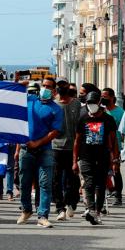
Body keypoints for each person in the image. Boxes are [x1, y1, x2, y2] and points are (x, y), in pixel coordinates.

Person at [17, 77, 63, 228]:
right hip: (26, 149)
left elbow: (55, 131)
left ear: (54, 91)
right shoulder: (30, 100)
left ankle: (42, 215)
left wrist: (38, 142)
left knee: (45, 183)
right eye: (43, 85)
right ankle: (26, 210)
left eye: (49, 86)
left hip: (44, 150)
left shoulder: (56, 109)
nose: (45, 88)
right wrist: (21, 84)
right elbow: (13, 95)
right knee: (24, 182)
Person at [73, 92, 120, 225]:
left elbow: (114, 141)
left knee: (100, 185)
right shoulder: (82, 118)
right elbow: (77, 141)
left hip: (103, 157)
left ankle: (97, 211)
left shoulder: (108, 119)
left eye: (93, 103)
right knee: (88, 183)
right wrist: (74, 161)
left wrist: (115, 160)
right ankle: (91, 209)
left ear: (99, 103)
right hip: (85, 157)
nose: (91, 106)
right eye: (88, 103)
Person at [52, 78, 81, 221]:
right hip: (56, 147)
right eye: (59, 85)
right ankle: (60, 207)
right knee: (56, 179)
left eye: (63, 85)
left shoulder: (76, 103)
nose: (61, 87)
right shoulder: (53, 104)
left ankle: (71, 202)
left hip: (73, 147)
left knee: (73, 179)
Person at [101, 88, 124, 206]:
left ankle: (118, 196)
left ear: (112, 97)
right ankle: (109, 190)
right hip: (102, 146)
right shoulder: (101, 111)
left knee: (116, 171)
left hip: (116, 146)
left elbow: (124, 130)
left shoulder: (120, 112)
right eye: (101, 96)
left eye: (105, 96)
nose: (102, 98)